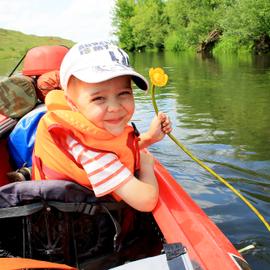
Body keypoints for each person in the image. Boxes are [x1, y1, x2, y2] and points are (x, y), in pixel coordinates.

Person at [32, 41, 172, 212]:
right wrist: (147, 167)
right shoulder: (89, 152)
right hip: (77, 229)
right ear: (72, 103)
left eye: (124, 93)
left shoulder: (94, 125)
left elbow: (117, 147)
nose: (115, 107)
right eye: (98, 98)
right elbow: (146, 201)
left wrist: (149, 137)